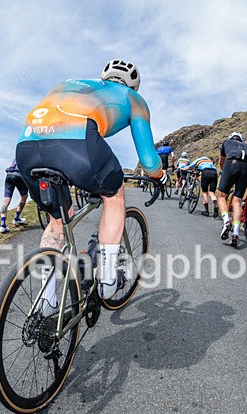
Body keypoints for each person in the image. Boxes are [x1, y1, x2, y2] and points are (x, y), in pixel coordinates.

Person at [15, 59, 166, 302]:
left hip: (26, 144)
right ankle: (107, 280)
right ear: (133, 85)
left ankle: (47, 301)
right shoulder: (133, 98)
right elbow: (149, 162)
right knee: (114, 195)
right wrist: (161, 176)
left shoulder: (68, 83)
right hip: (74, 139)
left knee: (58, 220)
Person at [217, 131, 247, 247]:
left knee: (221, 196)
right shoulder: (246, 145)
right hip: (246, 167)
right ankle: (235, 233)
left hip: (231, 163)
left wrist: (223, 171)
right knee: (237, 201)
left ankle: (226, 222)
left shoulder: (226, 142)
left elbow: (221, 161)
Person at [0, 158, 28, 233]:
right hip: (19, 176)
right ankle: (16, 218)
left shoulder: (18, 154)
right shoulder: (29, 155)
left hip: (9, 175)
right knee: (24, 197)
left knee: (6, 200)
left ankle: (2, 226)